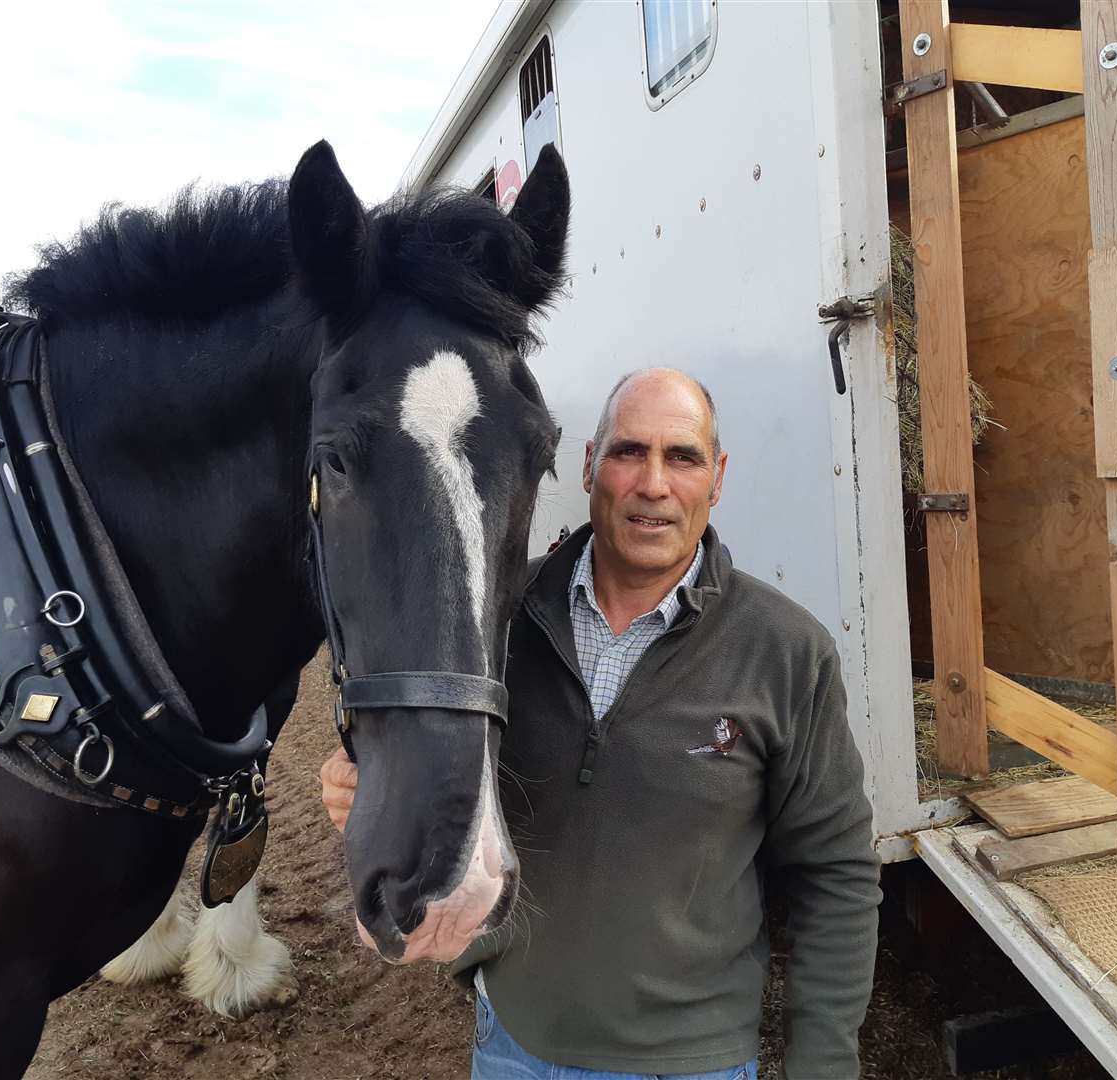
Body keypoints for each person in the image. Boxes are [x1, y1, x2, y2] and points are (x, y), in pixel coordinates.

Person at [322, 368, 881, 1080]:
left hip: (691, 1065)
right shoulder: (493, 622)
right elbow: (434, 779)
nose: (653, 484)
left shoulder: (787, 652)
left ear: (718, 478)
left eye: (683, 457)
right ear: (588, 465)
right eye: (627, 452)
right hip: (513, 1047)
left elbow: (837, 874)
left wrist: (825, 1065)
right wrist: (366, 794)